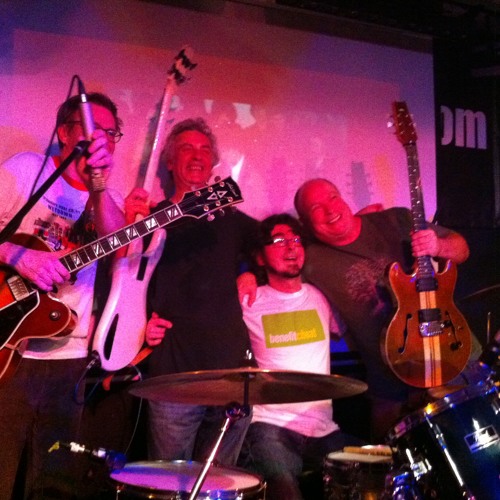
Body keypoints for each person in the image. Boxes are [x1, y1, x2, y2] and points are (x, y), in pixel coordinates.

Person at [0, 91, 125, 499]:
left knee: (54, 483)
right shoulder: (27, 169)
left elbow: (119, 243)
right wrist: (17, 256)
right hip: (10, 348)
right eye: (92, 129)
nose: (100, 138)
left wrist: (98, 186)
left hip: (68, 356)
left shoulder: (108, 199)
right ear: (64, 133)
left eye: (109, 133)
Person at [293, 178, 474, 441]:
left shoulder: (396, 220)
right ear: (304, 222)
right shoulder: (310, 259)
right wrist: (248, 278)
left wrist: (438, 246)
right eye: (316, 208)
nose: (330, 209)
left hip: (449, 354)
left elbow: (462, 249)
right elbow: (273, 267)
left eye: (332, 197)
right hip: (389, 383)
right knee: (388, 457)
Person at [132, 117, 258, 466]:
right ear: (171, 162)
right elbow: (125, 281)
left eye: (204, 149)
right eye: (186, 148)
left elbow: (274, 244)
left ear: (213, 163)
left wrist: (251, 271)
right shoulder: (151, 220)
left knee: (219, 484)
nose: (197, 155)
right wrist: (140, 325)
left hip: (232, 375)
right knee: (169, 483)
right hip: (175, 376)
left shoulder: (232, 219)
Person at [237, 213, 365, 500]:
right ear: (260, 257)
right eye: (279, 240)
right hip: (270, 425)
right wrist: (244, 275)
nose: (291, 246)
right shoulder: (249, 299)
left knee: (367, 482)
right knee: (284, 490)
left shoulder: (320, 297)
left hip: (324, 427)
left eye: (296, 239)